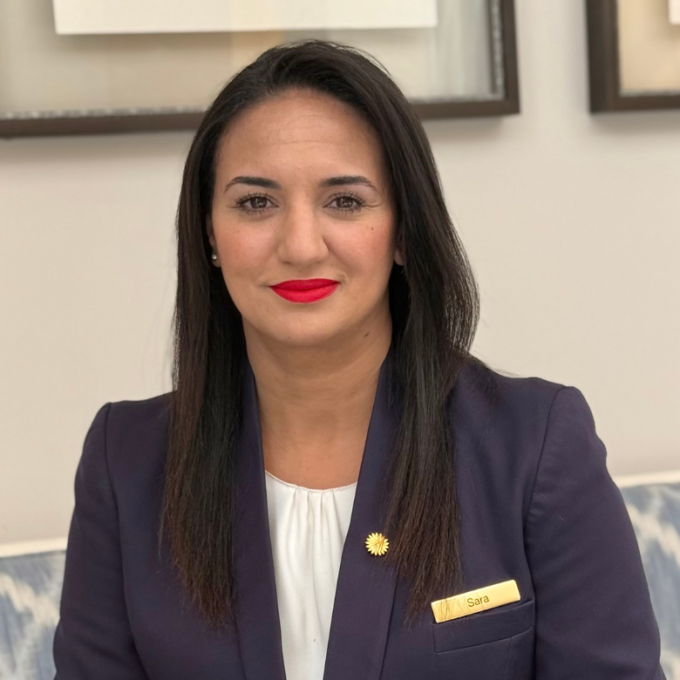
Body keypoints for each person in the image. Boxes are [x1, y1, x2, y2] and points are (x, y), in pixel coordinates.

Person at [52, 40, 665, 680]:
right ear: (209, 233)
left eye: (344, 201)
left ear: (403, 229)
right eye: (256, 202)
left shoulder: (535, 445)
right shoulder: (125, 461)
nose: (300, 246)